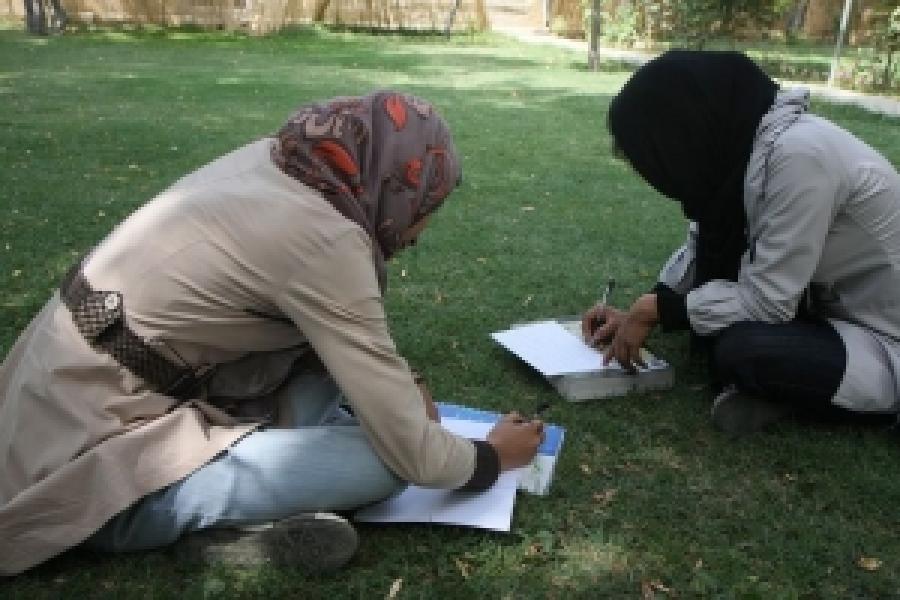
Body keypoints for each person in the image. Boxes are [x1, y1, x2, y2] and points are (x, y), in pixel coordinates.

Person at [0, 91, 545, 576]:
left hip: (82, 384)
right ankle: (138, 519)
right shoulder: (326, 240)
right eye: (428, 208)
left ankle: (234, 520)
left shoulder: (281, 162)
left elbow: (347, 343)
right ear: (402, 185)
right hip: (88, 438)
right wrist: (493, 457)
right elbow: (420, 460)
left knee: (337, 379)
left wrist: (407, 389)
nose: (420, 231)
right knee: (387, 467)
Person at [581, 50, 900, 436]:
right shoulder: (743, 155)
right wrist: (645, 307)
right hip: (825, 310)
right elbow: (704, 245)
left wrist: (658, 310)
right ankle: (788, 388)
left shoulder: (799, 157)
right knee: (720, 335)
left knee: (743, 349)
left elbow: (768, 301)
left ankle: (799, 395)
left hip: (883, 332)